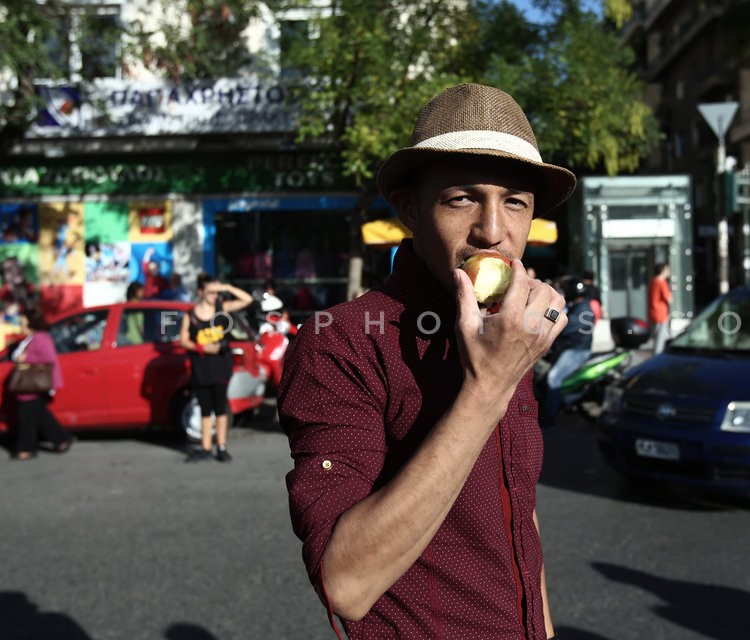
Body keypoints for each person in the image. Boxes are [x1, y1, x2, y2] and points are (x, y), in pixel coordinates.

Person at [278, 83, 574, 639]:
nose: (492, 231)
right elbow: (346, 583)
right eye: (461, 198)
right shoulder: (340, 342)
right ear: (411, 210)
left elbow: (519, 518)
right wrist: (487, 387)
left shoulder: (511, 330)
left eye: (515, 202)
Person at [179, 273, 253, 462]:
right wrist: (202, 347)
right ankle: (205, 447)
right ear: (200, 292)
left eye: (216, 291)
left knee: (220, 406)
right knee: (204, 408)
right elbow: (183, 340)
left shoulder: (222, 309)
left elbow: (247, 299)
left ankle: (221, 446)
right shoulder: (191, 315)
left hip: (221, 364)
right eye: (210, 291)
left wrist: (226, 288)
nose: (214, 295)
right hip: (201, 365)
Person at [11, 307, 73, 460]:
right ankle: (62, 440)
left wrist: (26, 359)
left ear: (32, 324)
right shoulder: (32, 338)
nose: (21, 327)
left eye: (23, 324)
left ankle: (26, 449)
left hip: (34, 385)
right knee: (39, 415)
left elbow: (48, 359)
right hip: (33, 385)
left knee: (28, 416)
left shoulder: (40, 338)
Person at [540, 276, 595, 428]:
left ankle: (549, 417)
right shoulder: (578, 305)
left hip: (576, 351)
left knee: (553, 378)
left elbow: (563, 327)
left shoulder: (582, 310)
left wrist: (546, 315)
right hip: (567, 348)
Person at [648, 262, 672, 355]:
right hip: (661, 315)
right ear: (663, 271)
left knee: (663, 338)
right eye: (667, 269)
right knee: (660, 342)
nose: (669, 272)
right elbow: (669, 299)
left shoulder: (652, 281)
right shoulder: (662, 282)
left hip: (653, 313)